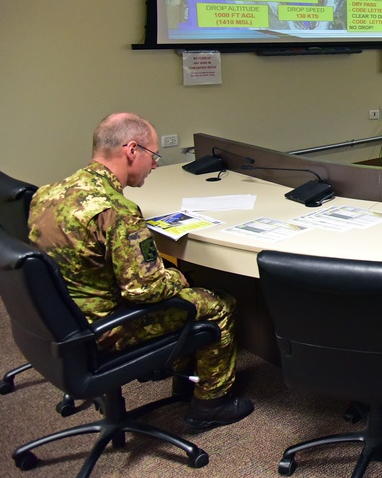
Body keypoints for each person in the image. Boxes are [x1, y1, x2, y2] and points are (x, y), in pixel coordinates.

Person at [28, 113, 254, 430]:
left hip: (60, 319)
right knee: (217, 303)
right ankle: (211, 405)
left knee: (184, 289)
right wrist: (177, 277)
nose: (156, 165)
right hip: (105, 328)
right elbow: (143, 290)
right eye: (153, 155)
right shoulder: (116, 211)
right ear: (132, 150)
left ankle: (177, 375)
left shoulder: (47, 192)